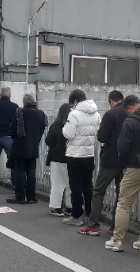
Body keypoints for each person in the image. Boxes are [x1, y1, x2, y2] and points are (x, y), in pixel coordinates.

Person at [104, 96, 140, 252]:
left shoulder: (131, 121)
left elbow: (122, 146)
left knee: (124, 204)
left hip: (134, 167)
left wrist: (125, 161)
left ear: (128, 108)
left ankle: (117, 240)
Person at [83, 90, 127, 236]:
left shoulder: (111, 114)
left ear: (111, 101)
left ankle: (93, 225)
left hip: (110, 159)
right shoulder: (130, 113)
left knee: (98, 191)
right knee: (121, 195)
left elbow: (101, 137)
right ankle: (115, 227)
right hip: (126, 160)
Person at [61, 89, 101, 226]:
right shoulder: (96, 114)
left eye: (72, 103)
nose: (72, 106)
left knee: (75, 187)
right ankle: (89, 214)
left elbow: (69, 134)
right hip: (89, 154)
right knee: (87, 186)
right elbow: (96, 134)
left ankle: (76, 215)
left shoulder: (74, 114)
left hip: (75, 155)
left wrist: (64, 129)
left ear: (75, 101)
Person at [6, 93, 48, 204]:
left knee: (20, 172)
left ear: (25, 102)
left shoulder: (20, 112)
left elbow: (12, 130)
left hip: (20, 147)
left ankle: (20, 196)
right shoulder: (41, 113)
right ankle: (31, 197)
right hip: (33, 147)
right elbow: (42, 129)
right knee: (31, 172)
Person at [44, 103, 73, 216]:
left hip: (56, 158)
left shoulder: (56, 125)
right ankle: (69, 207)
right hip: (70, 157)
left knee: (57, 183)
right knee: (70, 183)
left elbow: (48, 141)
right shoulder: (72, 125)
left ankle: (56, 207)